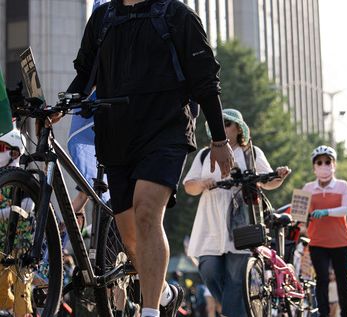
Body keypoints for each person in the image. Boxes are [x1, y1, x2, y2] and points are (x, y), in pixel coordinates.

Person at [65, 0, 235, 316]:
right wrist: (61, 105)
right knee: (130, 236)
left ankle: (150, 311)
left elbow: (205, 82)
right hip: (116, 137)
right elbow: (86, 75)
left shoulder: (177, 15)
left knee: (146, 212)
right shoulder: (103, 17)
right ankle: (166, 293)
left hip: (165, 131)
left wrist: (219, 139)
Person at [183, 108, 291, 317]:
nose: (222, 128)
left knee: (236, 277)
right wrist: (204, 183)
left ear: (239, 129)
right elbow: (189, 186)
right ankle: (240, 310)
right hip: (210, 220)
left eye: (227, 123)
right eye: (218, 123)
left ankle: (233, 312)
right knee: (208, 269)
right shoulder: (205, 154)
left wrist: (279, 176)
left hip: (241, 220)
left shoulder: (251, 152)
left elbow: (268, 182)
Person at [302, 145, 347, 317]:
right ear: (314, 167)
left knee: (342, 281)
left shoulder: (342, 185)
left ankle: (346, 313)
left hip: (340, 242)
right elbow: (299, 213)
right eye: (319, 162)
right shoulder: (308, 187)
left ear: (334, 164)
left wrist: (327, 212)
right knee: (321, 280)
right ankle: (323, 314)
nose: (324, 165)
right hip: (317, 243)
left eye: (327, 161)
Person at [0, 128, 33, 317]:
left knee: (22, 292)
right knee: (1, 293)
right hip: (1, 246)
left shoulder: (23, 179)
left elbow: (28, 206)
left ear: (15, 151)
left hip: (22, 247)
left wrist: (4, 214)